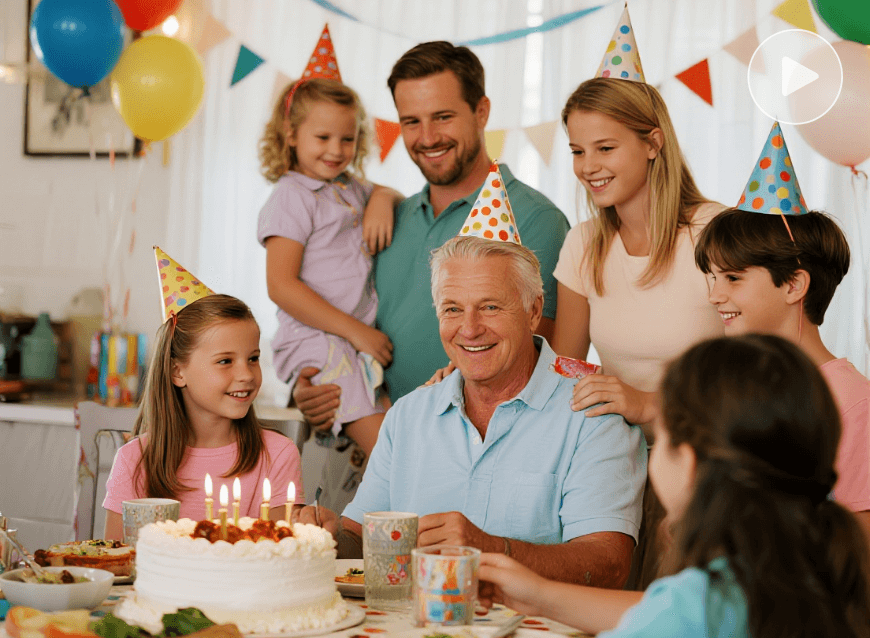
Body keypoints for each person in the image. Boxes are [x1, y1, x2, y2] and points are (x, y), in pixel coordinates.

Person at [300, 235, 647, 588]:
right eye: (452, 309)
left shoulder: (593, 417)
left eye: (491, 307)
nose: (469, 329)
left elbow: (609, 565)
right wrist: (323, 539)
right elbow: (360, 539)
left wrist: (492, 551)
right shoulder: (408, 416)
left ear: (533, 311)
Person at [479, 334, 870, 638]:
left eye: (661, 439)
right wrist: (540, 595)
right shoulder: (820, 568)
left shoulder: (694, 607)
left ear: (690, 462)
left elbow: (674, 613)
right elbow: (660, 610)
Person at [293, 40, 570, 421]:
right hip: (387, 434)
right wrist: (314, 383)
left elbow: (543, 360)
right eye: (411, 122)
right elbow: (344, 315)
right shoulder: (389, 219)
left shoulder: (536, 220)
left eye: (442, 117)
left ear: (481, 111)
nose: (427, 137)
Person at [549, 7, 723, 590]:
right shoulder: (585, 244)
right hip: (613, 465)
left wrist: (647, 403)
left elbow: (755, 383)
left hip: (707, 467)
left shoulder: (714, 234)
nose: (588, 168)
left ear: (652, 143)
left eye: (604, 148)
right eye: (577, 151)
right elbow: (565, 366)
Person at [258, 26, 402, 461]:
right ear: (291, 135)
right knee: (386, 449)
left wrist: (380, 197)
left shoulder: (350, 187)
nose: (336, 150)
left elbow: (392, 191)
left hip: (345, 338)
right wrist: (356, 331)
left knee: (386, 422)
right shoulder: (292, 195)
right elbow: (280, 286)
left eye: (348, 138)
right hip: (317, 337)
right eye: (323, 138)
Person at [103, 249, 303, 539]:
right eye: (225, 361)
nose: (246, 374)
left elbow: (277, 557)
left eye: (253, 358)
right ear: (177, 372)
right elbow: (115, 562)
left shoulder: (278, 455)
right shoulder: (134, 461)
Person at [694, 208, 870, 535]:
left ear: (793, 284)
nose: (714, 296)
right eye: (713, 278)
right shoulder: (737, 388)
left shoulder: (855, 405)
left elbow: (858, 553)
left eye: (732, 277)